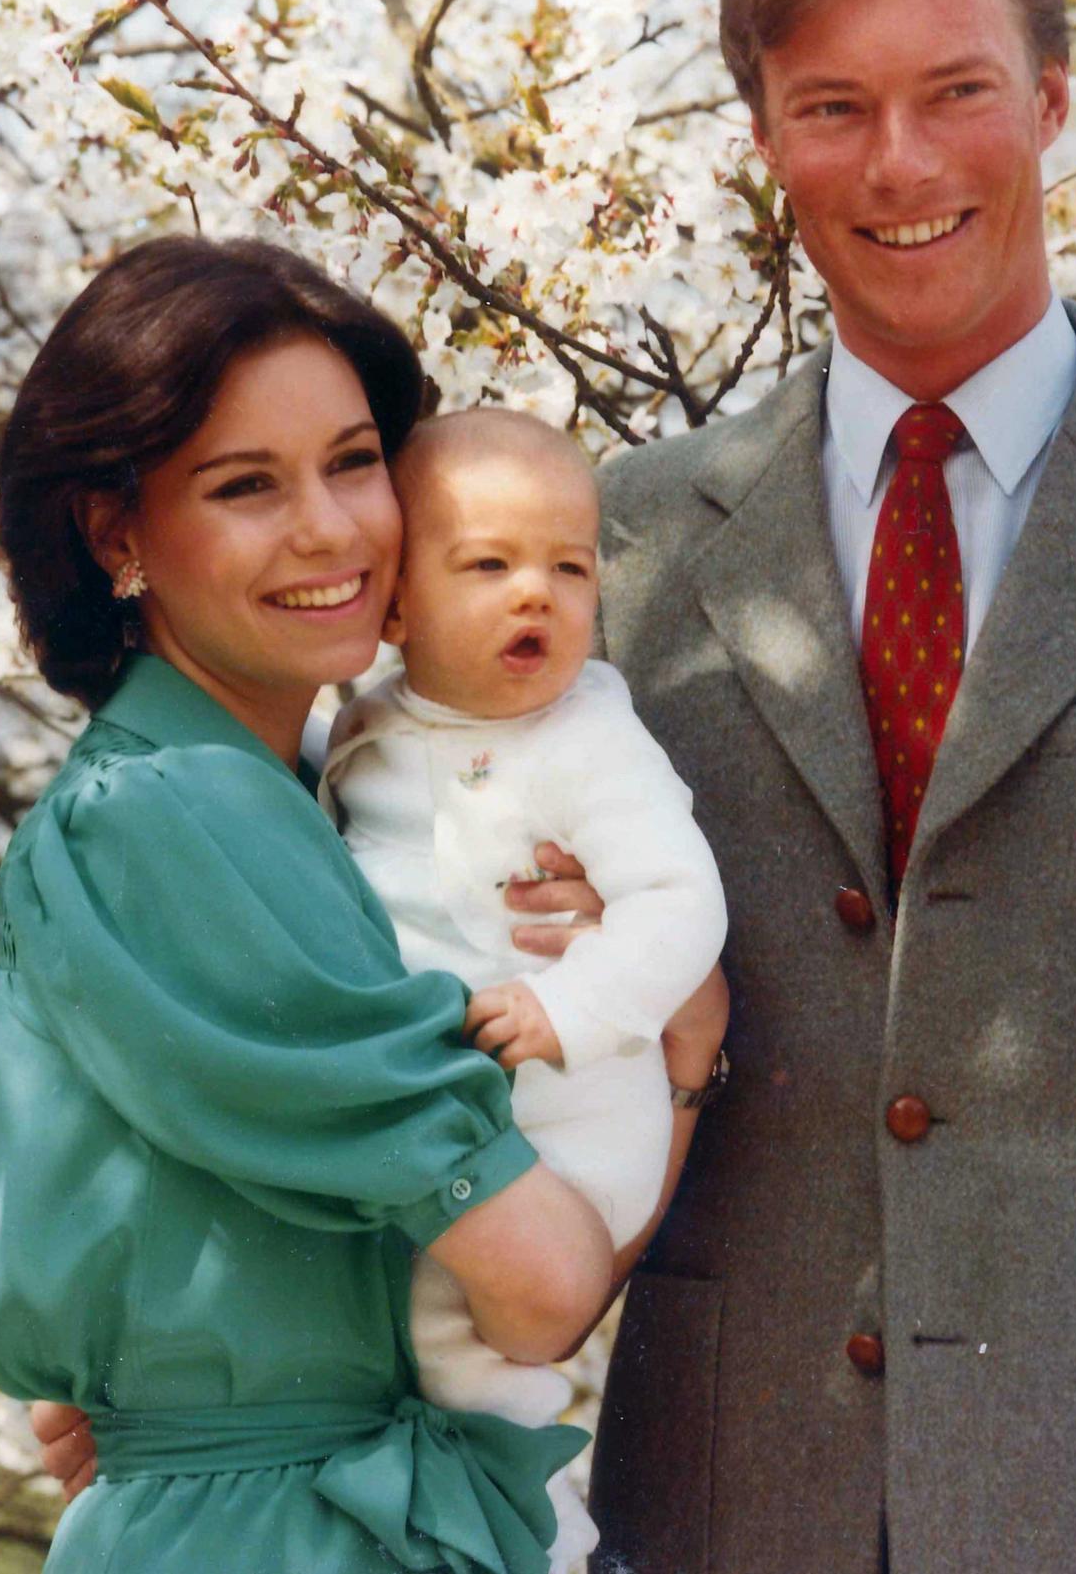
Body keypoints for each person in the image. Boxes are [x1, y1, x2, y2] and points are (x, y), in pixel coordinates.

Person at [506, 0, 1076, 1572]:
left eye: (957, 88)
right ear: (763, 138)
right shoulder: (606, 550)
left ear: (1053, 100)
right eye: (830, 105)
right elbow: (411, 939)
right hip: (719, 1504)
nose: (898, 162)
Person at [0, 233, 641, 1574]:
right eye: (245, 485)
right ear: (117, 533)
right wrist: (681, 1045)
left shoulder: (295, 797)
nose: (332, 528)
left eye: (351, 460)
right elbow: (542, 1287)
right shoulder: (173, 817)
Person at [316, 408, 728, 1572]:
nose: (533, 594)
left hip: (568, 1113)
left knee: (464, 1371)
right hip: (450, 1123)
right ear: (393, 603)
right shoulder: (368, 723)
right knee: (396, 1353)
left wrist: (573, 1008)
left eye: (568, 564)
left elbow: (677, 902)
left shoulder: (591, 739)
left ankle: (537, 1545)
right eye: (487, 564)